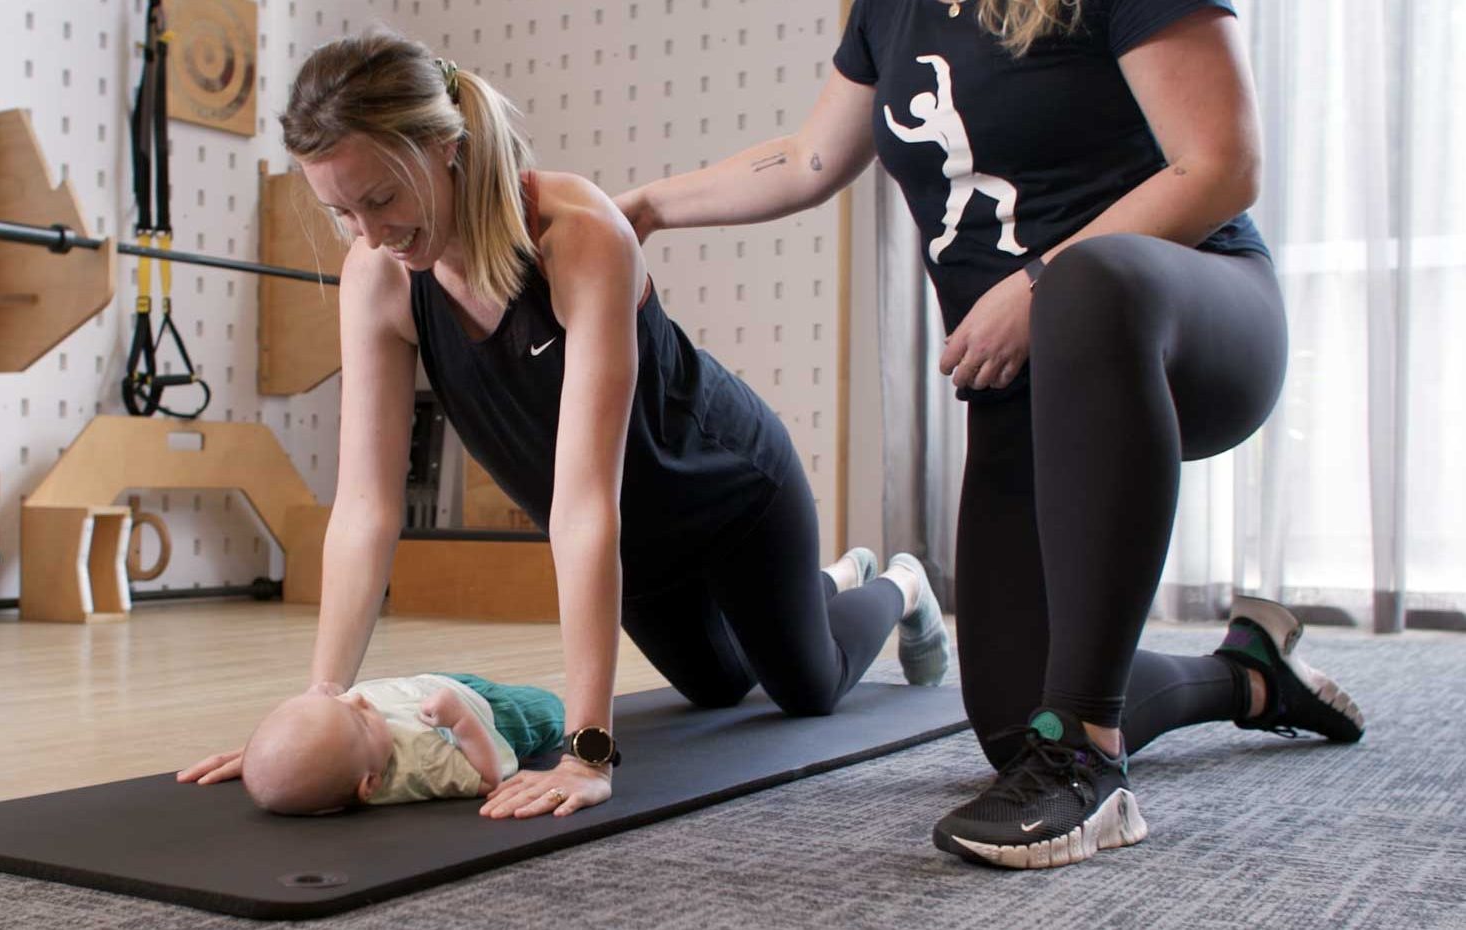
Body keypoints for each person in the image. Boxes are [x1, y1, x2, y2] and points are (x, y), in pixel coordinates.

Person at [614, 0, 1364, 869]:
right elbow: (808, 158)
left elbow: (1222, 165)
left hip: (1195, 322)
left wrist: (1042, 280)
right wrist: (643, 206)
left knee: (1086, 282)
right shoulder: (888, 10)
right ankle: (1252, 673)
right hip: (1029, 384)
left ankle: (1092, 765)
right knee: (1016, 723)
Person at [180, 31, 951, 820]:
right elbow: (366, 508)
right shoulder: (378, 278)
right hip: (632, 544)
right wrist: (317, 714)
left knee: (807, 687)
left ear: (445, 148)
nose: (370, 235)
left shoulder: (576, 236)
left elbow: (584, 505)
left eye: (380, 199)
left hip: (730, 492)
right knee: (718, 687)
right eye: (340, 212)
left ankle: (896, 581)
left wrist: (589, 751)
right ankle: (820, 586)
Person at [190, 673, 564, 814]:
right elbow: (487, 778)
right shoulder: (423, 762)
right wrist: (462, 722)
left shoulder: (349, 747)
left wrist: (325, 695)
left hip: (428, 686)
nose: (356, 700)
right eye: (359, 718)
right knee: (553, 709)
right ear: (369, 784)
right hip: (496, 713)